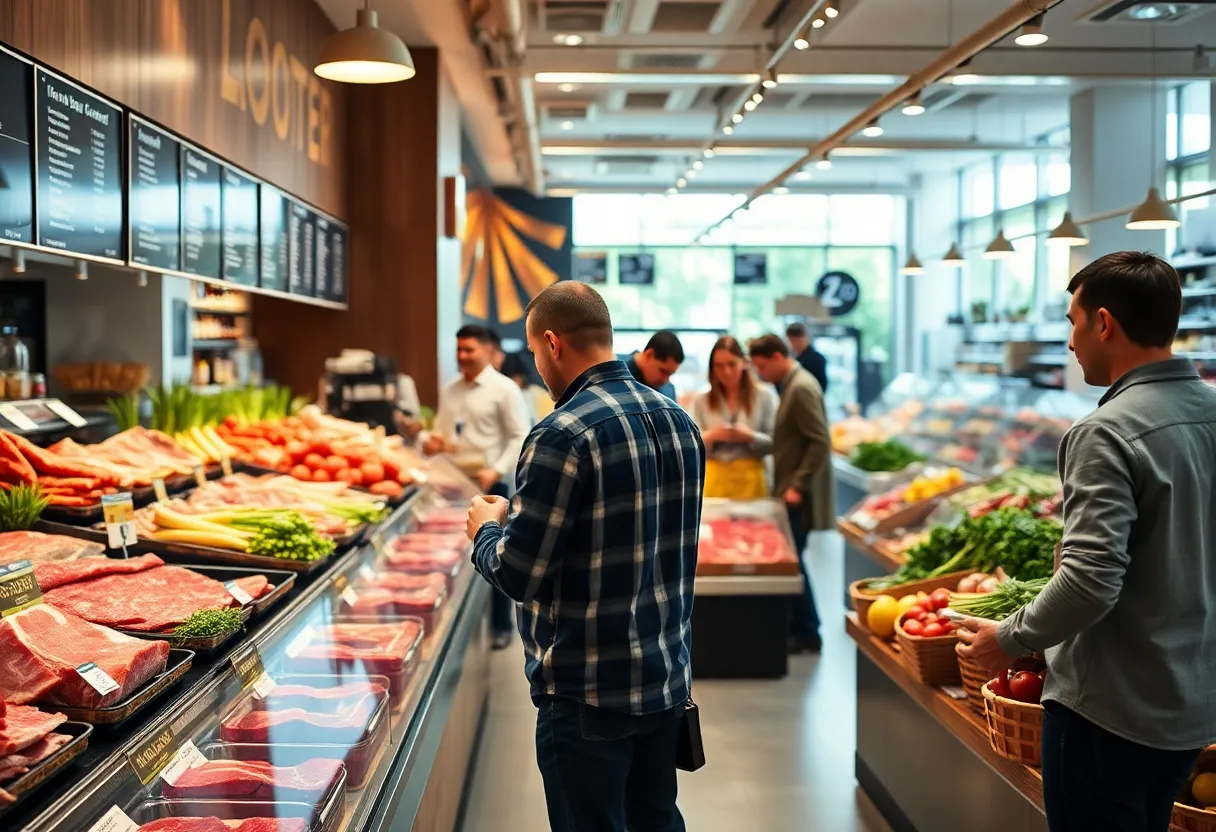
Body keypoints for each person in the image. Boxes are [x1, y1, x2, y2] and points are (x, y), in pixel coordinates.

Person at [957, 251, 1216, 832]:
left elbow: (1090, 579)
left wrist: (1008, 636)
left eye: (1073, 323)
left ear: (1103, 323)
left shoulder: (1107, 431)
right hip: (1192, 705)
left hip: (1111, 713)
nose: (1071, 343)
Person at [466, 282, 704, 832]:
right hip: (665, 679)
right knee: (657, 820)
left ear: (552, 343)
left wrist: (486, 530)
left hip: (586, 694)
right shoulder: (680, 421)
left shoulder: (560, 433)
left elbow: (518, 573)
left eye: (533, 351)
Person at [427, 324, 530, 649]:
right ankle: (451, 626)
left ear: (487, 350)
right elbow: (445, 435)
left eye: (469, 350)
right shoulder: (451, 389)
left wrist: (495, 469)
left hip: (491, 483)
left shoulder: (504, 389)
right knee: (456, 556)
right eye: (459, 350)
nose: (463, 356)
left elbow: (519, 435)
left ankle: (501, 628)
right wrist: (434, 443)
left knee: (499, 554)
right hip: (454, 483)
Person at [747, 334, 833, 653]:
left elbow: (819, 440)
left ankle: (808, 631)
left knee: (793, 563)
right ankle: (801, 628)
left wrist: (798, 483)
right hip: (791, 491)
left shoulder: (800, 388)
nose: (761, 374)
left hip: (799, 496)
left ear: (777, 357)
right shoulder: (794, 385)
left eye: (761, 366)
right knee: (793, 561)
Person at [691, 335, 777, 500]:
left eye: (732, 364)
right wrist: (713, 435)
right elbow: (691, 444)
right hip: (714, 479)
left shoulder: (764, 396)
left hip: (752, 479)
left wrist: (749, 437)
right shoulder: (701, 400)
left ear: (744, 363)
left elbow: (776, 443)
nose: (726, 372)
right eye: (719, 366)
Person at [623, 330, 684, 400]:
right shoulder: (615, 372)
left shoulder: (669, 391)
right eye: (663, 371)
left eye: (670, 374)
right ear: (649, 355)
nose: (665, 380)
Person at [785, 322, 829, 395]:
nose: (793, 344)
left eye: (796, 339)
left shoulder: (817, 359)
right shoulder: (794, 358)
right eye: (791, 340)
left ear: (806, 338)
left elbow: (820, 388)